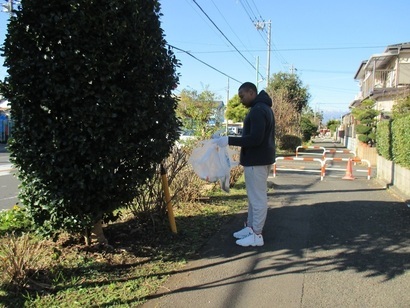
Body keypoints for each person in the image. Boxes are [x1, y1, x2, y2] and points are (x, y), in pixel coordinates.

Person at [213, 82, 275, 247]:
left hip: (257, 161)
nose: (240, 100)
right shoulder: (263, 108)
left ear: (251, 92)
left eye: (242, 96)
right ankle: (251, 228)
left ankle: (257, 235)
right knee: (253, 198)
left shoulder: (257, 111)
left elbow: (255, 139)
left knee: (258, 198)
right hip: (261, 159)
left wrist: (228, 140)